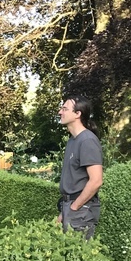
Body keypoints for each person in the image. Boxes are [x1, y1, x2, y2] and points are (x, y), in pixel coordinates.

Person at [57, 96, 103, 239]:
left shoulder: (87, 140)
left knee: (78, 257)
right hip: (70, 207)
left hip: (81, 211)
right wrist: (64, 212)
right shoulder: (73, 141)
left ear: (78, 114)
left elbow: (96, 181)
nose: (60, 112)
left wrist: (74, 208)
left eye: (65, 109)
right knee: (68, 256)